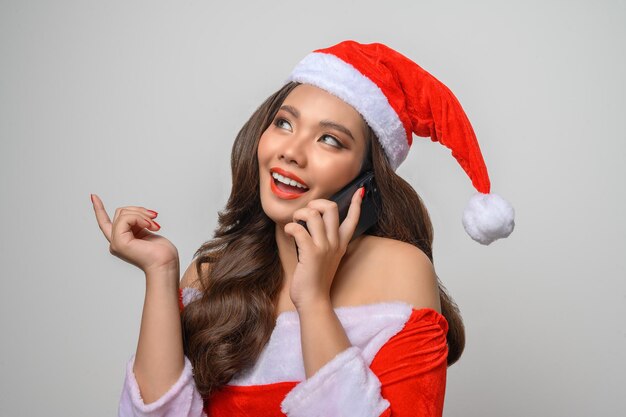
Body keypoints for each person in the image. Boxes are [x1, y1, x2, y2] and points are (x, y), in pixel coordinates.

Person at [92, 40, 515, 417]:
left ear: (365, 176)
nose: (291, 152)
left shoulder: (399, 271)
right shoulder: (212, 276)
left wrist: (313, 300)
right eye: (284, 123)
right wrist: (161, 274)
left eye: (330, 140)